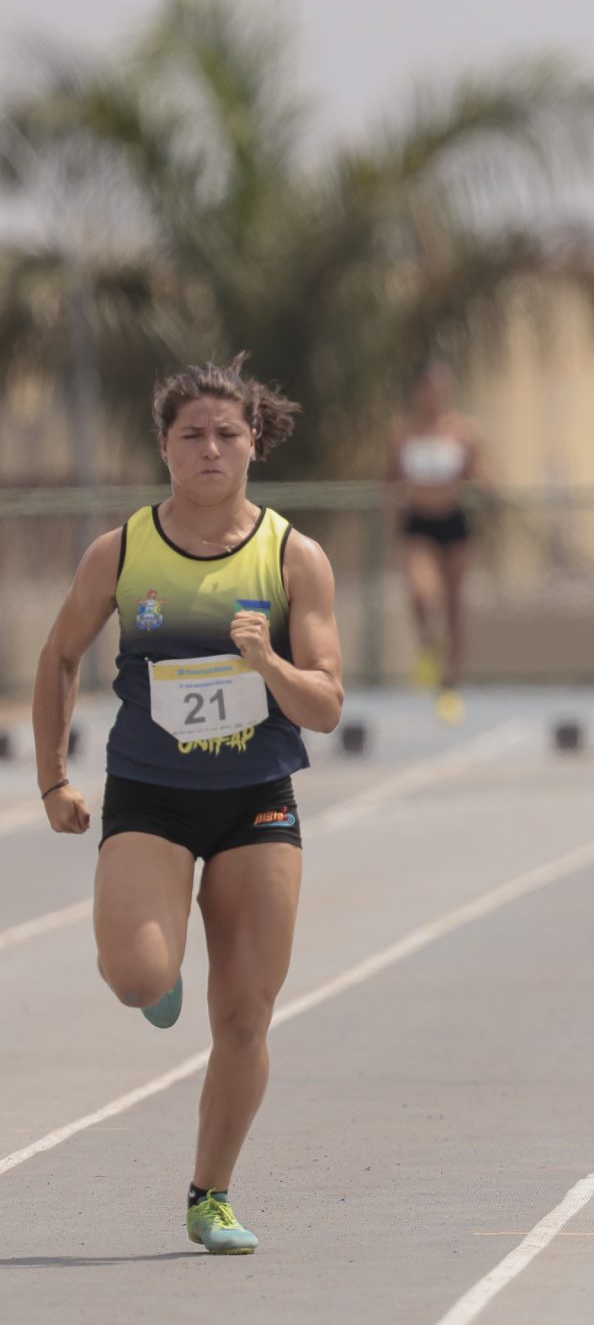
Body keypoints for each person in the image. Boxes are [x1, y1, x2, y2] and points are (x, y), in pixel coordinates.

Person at [32, 356, 345, 1255]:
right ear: (165, 446)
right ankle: (158, 972)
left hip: (255, 800)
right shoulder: (124, 551)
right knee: (135, 976)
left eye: (227, 434)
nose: (211, 449)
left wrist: (270, 663)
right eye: (192, 434)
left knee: (246, 1012)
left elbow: (325, 705)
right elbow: (58, 657)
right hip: (152, 797)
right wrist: (54, 778)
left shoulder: (293, 556)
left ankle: (210, 1194)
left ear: (255, 443)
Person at [386, 361, 479, 724]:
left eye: (442, 390)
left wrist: (483, 481)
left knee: (455, 606)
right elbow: (390, 480)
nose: (435, 397)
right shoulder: (403, 432)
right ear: (419, 392)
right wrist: (392, 513)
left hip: (454, 522)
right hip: (419, 522)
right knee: (423, 593)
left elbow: (479, 472)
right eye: (429, 389)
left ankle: (450, 682)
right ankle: (427, 645)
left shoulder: (464, 432)